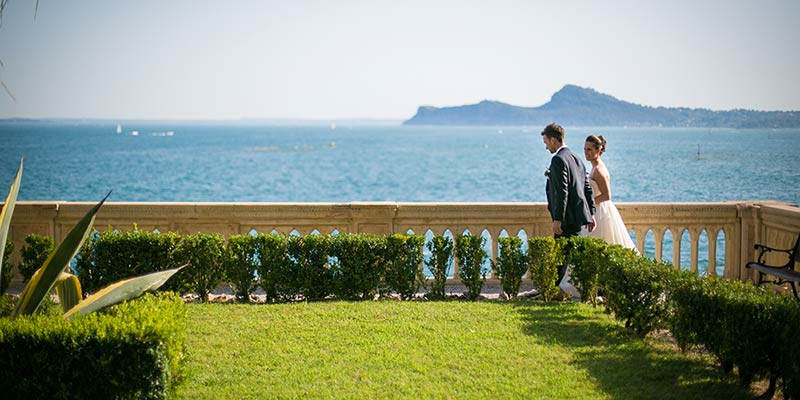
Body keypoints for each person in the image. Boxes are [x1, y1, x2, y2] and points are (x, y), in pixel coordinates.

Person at [542, 123, 596, 285]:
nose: (546, 147)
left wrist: (558, 219)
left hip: (566, 220)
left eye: (546, 142)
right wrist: (591, 213)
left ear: (553, 140)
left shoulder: (558, 159)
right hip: (579, 218)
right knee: (574, 258)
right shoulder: (576, 158)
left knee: (560, 259)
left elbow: (562, 191)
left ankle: (553, 290)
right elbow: (587, 188)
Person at [583, 134, 639, 252]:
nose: (586, 152)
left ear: (598, 150)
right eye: (585, 149)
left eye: (589, 149)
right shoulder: (594, 168)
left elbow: (607, 195)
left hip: (599, 212)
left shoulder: (598, 171)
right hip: (596, 210)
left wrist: (589, 203)